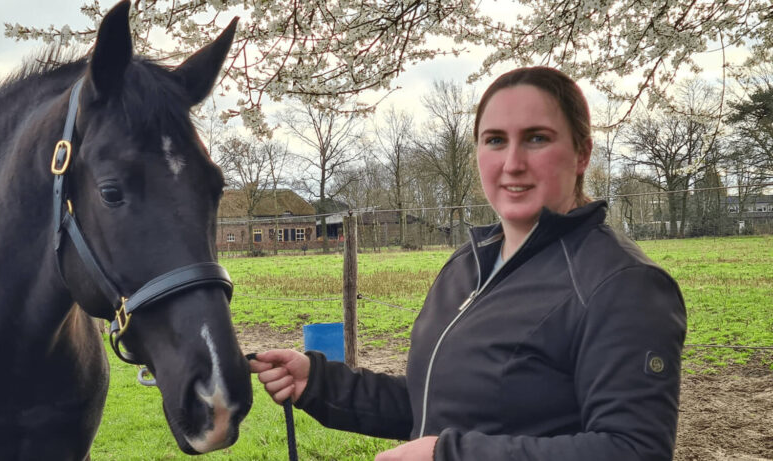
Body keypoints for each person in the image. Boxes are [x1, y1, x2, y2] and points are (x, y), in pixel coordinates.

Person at [249, 67, 687, 460]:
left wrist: (450, 455)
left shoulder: (622, 284)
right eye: (495, 140)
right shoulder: (468, 264)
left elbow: (633, 448)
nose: (512, 163)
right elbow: (437, 405)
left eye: (537, 138)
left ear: (582, 154)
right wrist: (322, 386)